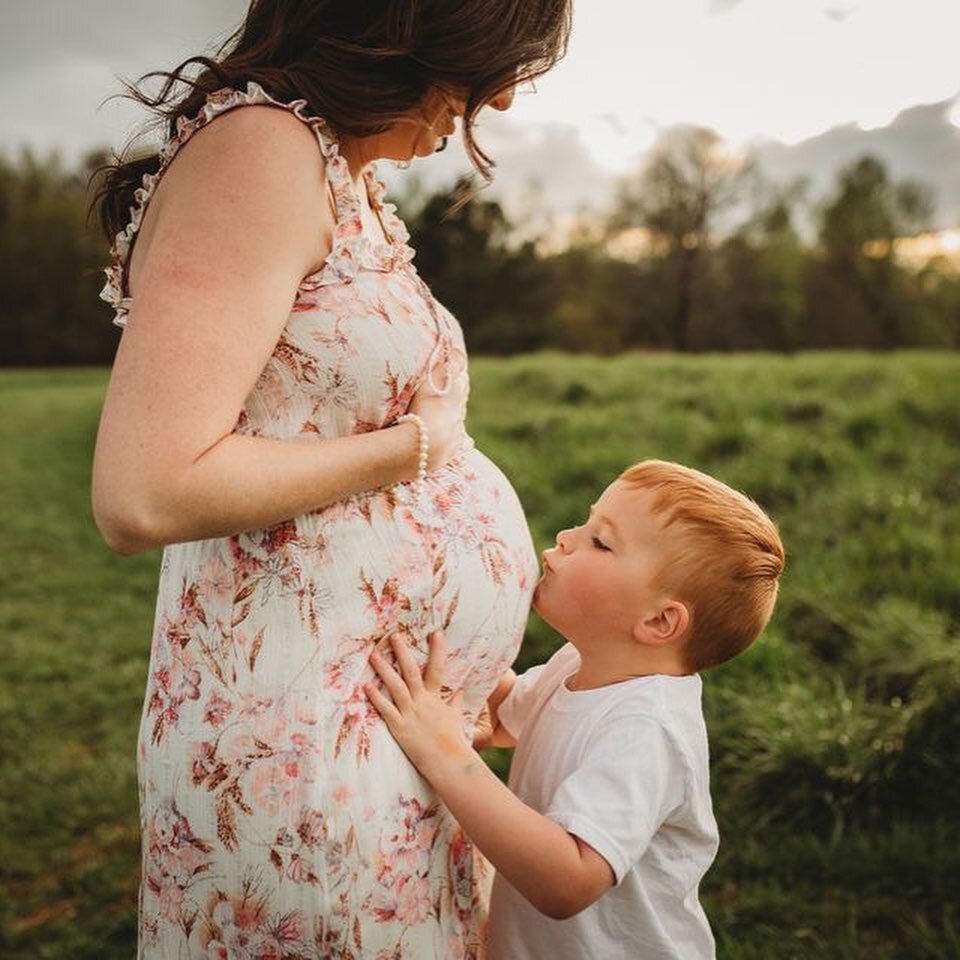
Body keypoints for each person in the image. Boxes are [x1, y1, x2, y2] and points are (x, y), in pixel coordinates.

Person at [90, 2, 572, 956]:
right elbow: (143, 491)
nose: (505, 96)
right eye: (495, 63)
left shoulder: (329, 168)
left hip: (384, 730)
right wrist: (411, 453)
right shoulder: (257, 151)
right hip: (302, 744)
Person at [366, 459, 785, 960]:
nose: (566, 536)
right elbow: (503, 716)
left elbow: (568, 880)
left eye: (601, 542)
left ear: (658, 622)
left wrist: (446, 755)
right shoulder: (581, 667)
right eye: (586, 523)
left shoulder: (647, 731)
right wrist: (443, 629)